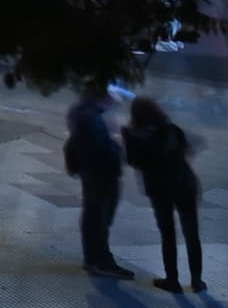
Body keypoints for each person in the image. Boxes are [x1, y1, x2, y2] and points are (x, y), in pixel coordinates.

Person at [126, 94, 202, 291]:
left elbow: (133, 161)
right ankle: (197, 281)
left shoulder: (135, 135)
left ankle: (172, 280)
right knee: (191, 233)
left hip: (160, 190)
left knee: (167, 234)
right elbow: (186, 151)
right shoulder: (172, 129)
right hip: (184, 185)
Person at [67, 83, 132, 279]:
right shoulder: (91, 118)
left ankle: (93, 258)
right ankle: (101, 261)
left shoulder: (85, 114)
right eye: (112, 99)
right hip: (100, 176)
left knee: (94, 215)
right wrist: (119, 149)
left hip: (93, 174)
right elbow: (99, 150)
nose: (114, 103)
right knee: (99, 218)